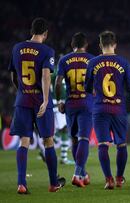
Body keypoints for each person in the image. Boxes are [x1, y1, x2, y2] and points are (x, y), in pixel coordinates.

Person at [8, 17, 65, 194]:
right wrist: (46, 100)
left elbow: (13, 77)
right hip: (41, 101)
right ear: (45, 33)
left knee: (23, 142)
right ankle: (53, 183)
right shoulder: (47, 50)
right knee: (48, 142)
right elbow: (46, 76)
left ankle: (21, 183)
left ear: (31, 31)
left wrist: (22, 91)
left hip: (23, 101)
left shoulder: (17, 48)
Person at [85, 30, 130, 190]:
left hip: (100, 108)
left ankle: (108, 179)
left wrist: (94, 90)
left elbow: (87, 87)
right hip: (118, 108)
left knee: (103, 144)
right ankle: (119, 178)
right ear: (115, 44)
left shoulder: (92, 63)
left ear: (100, 45)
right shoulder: (123, 62)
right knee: (121, 145)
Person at [56, 32, 94, 187]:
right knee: (84, 138)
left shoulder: (64, 60)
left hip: (71, 104)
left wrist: (60, 101)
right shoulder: (92, 59)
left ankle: (83, 174)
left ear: (72, 46)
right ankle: (77, 173)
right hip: (87, 103)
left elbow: (58, 83)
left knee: (74, 139)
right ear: (86, 45)